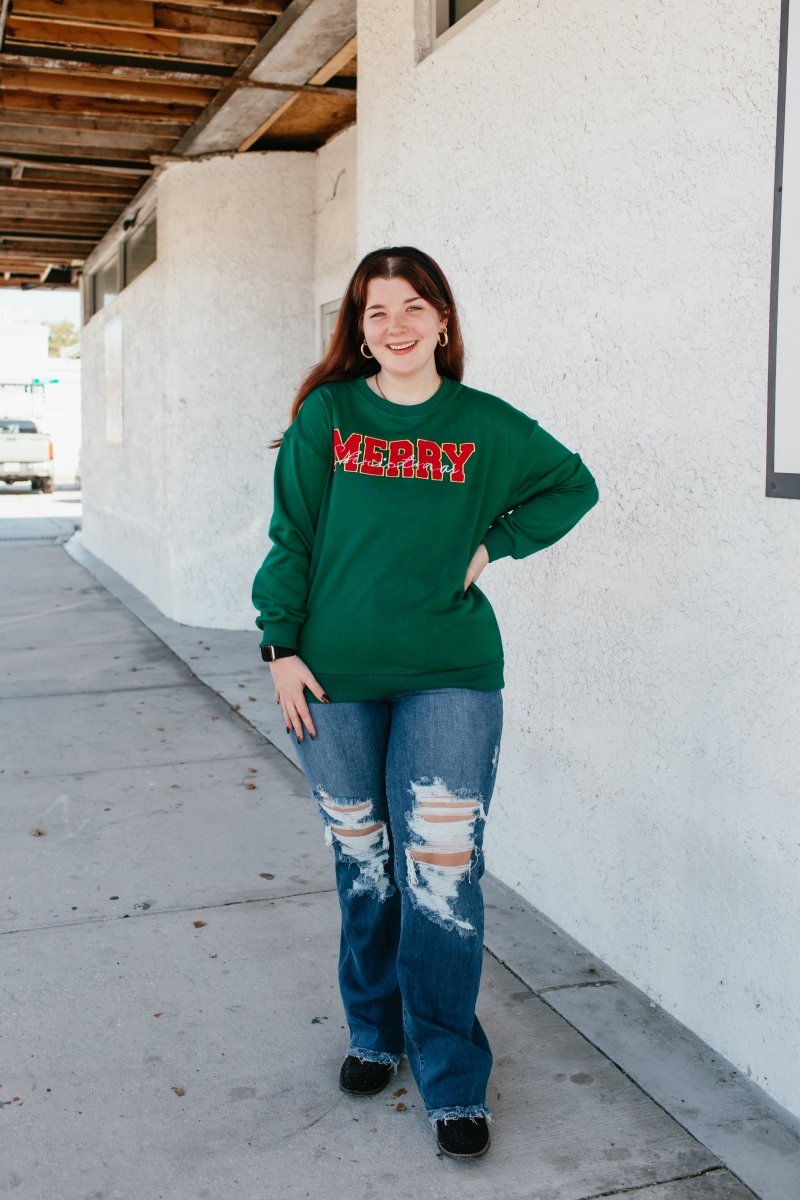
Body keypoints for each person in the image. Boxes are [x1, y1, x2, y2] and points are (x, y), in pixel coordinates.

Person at [251, 246, 598, 1159]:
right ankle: (375, 1030)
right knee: (366, 864)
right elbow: (292, 538)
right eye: (377, 311)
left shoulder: (485, 425)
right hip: (330, 678)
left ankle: (452, 1075)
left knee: (442, 873)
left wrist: (492, 546)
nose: (396, 325)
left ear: (443, 319)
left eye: (413, 307)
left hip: (450, 672)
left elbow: (574, 485)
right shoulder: (330, 416)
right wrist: (279, 646)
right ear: (359, 330)